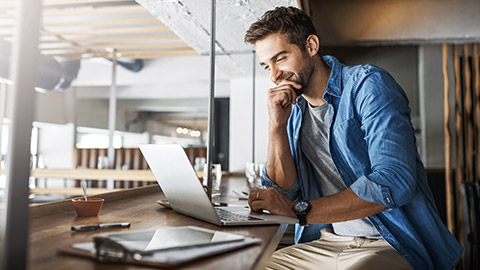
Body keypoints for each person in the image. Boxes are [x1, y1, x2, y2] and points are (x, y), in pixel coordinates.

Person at [244, 6, 462, 270]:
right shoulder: (293, 109)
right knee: (249, 266)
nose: (274, 75)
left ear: (311, 45)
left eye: (280, 59)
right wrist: (276, 126)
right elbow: (281, 191)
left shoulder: (368, 85)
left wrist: (300, 211)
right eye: (266, 65)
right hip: (327, 241)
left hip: (391, 243)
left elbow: (395, 180)